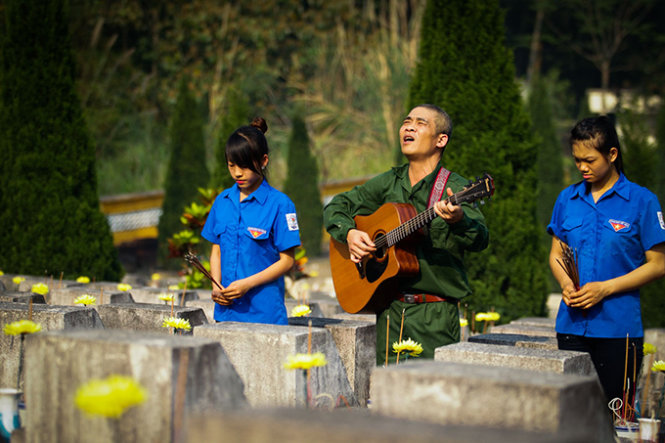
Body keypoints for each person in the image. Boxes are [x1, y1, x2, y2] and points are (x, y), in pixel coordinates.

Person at [323, 104, 489, 364]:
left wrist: (459, 219)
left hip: (434, 317)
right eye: (406, 121)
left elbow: (481, 238)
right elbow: (337, 205)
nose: (408, 127)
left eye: (420, 123)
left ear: (441, 140)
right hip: (389, 312)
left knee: (431, 398)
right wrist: (351, 234)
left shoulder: (455, 188)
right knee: (386, 399)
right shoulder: (389, 182)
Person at [547, 116, 665, 404]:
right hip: (571, 328)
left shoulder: (642, 201)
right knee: (570, 416)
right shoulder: (567, 199)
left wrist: (605, 288)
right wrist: (565, 282)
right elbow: (557, 254)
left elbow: (659, 264)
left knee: (615, 415)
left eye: (589, 160)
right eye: (576, 160)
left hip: (617, 330)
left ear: (612, 154)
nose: (582, 168)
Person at [201, 117, 301, 325]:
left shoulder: (280, 204)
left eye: (245, 166)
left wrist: (246, 284)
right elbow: (216, 252)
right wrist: (216, 286)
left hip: (264, 316)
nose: (237, 173)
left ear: (264, 161)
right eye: (231, 165)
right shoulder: (222, 201)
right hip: (225, 315)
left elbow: (287, 261)